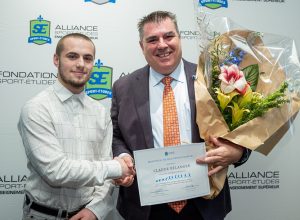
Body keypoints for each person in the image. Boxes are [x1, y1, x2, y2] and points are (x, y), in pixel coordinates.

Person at [111, 11, 251, 220]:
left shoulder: (213, 80)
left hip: (204, 203)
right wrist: (123, 157)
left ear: (179, 38)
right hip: (146, 206)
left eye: (168, 36)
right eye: (152, 40)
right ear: (142, 46)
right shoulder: (124, 87)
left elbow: (246, 127)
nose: (162, 45)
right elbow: (114, 135)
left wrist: (239, 152)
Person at [18, 33, 134, 220]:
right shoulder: (36, 108)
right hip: (43, 215)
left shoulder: (100, 112)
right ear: (56, 60)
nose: (81, 64)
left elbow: (105, 174)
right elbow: (55, 171)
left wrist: (95, 210)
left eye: (87, 58)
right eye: (72, 56)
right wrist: (116, 168)